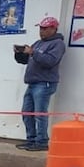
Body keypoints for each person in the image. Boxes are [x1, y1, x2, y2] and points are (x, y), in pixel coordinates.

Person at [14, 15, 66, 151]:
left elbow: (50, 61)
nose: (41, 31)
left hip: (45, 83)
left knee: (39, 114)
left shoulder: (58, 44)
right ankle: (31, 139)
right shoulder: (38, 43)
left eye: (45, 28)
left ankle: (42, 141)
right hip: (32, 83)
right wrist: (20, 53)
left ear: (54, 29)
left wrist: (33, 52)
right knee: (27, 112)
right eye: (41, 28)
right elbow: (27, 60)